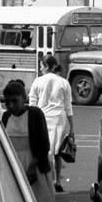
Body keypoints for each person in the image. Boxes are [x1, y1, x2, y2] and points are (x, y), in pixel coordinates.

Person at [1, 79, 56, 202]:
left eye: (15, 101)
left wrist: (33, 167)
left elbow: (44, 144)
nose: (11, 106)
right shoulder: (6, 117)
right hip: (13, 166)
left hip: (34, 166)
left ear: (24, 99)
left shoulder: (35, 114)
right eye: (7, 102)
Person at [29, 54, 74, 193]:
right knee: (57, 152)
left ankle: (46, 180)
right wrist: (72, 128)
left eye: (42, 66)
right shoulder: (63, 82)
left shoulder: (38, 81)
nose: (41, 69)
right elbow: (68, 107)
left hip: (41, 118)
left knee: (43, 151)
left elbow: (32, 104)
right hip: (59, 119)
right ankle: (57, 181)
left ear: (47, 67)